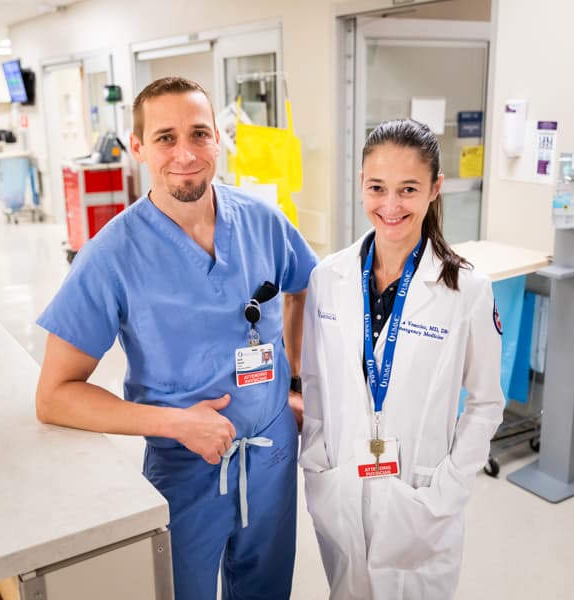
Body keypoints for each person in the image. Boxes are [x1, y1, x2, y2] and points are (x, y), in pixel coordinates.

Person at [36, 77, 317, 600]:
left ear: (217, 141)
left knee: (268, 588)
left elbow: (304, 289)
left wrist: (296, 382)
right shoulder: (112, 255)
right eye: (165, 137)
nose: (185, 153)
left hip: (272, 452)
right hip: (185, 466)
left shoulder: (263, 223)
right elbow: (54, 396)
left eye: (200, 134)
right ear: (138, 147)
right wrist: (177, 423)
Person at [299, 119, 505, 599]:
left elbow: (485, 403)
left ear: (435, 189)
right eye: (377, 188)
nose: (390, 206)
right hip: (343, 485)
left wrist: (450, 487)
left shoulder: (466, 291)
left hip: (422, 492)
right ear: (361, 187)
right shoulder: (328, 278)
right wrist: (317, 462)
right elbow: (314, 382)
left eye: (408, 189)